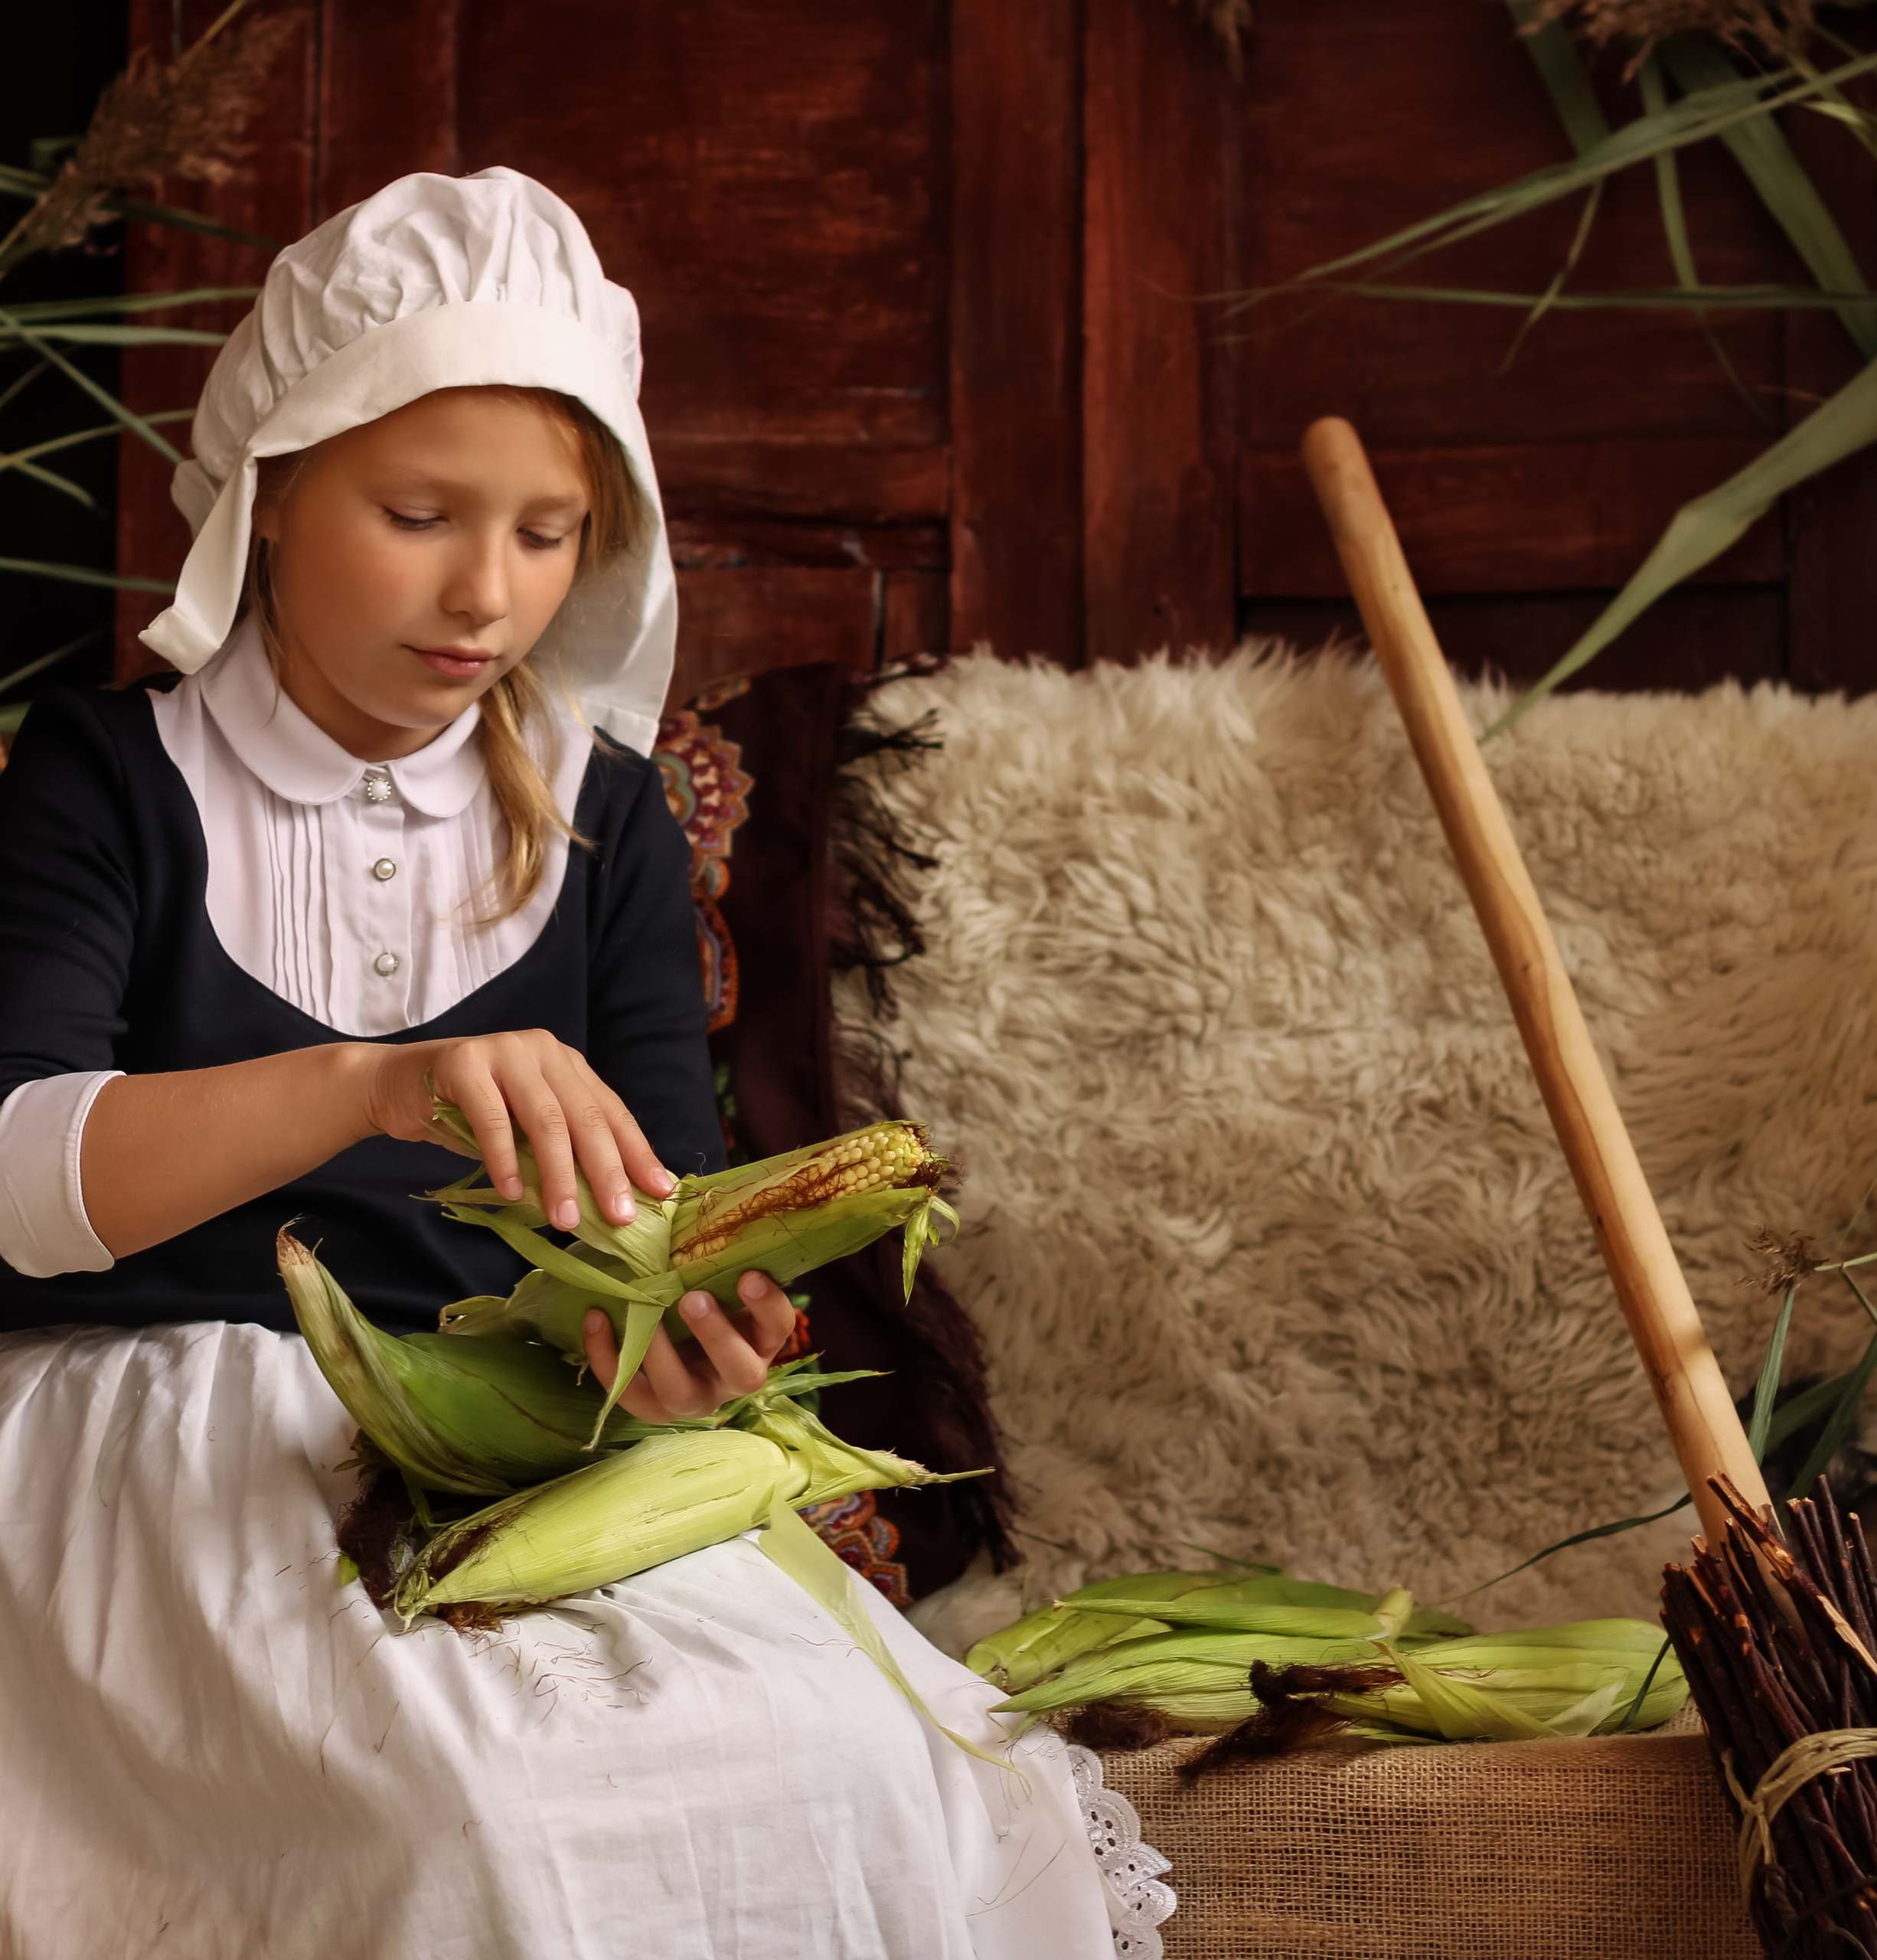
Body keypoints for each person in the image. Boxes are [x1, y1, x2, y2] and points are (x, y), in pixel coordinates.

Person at [0, 169, 1166, 1958]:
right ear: (271, 488)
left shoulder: (604, 825)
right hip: (167, 1438)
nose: (487, 591)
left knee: (858, 1763)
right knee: (464, 1818)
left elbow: (664, 1209)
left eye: (547, 533)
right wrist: (368, 1079)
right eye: (417, 513)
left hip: (511, 1453)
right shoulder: (108, 778)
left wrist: (673, 1343)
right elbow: (20, 1180)